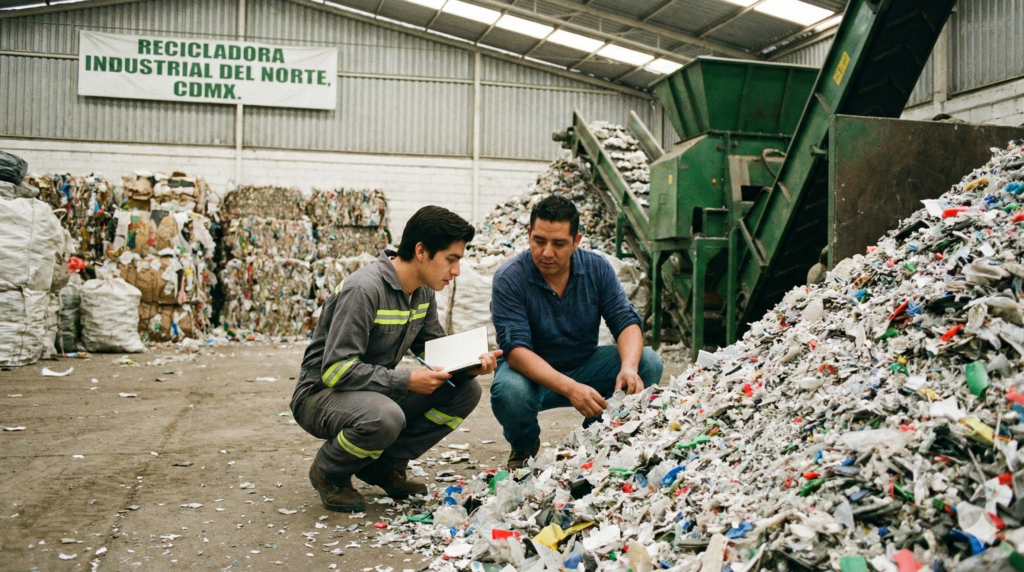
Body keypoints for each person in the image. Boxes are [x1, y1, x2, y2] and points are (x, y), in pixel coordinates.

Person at [292, 206, 501, 512]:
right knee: (386, 416)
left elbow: (435, 352)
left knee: (465, 392)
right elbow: (336, 371)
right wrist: (406, 380)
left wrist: (469, 366)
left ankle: (382, 466)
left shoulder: (422, 293)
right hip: (319, 394)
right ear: (421, 251)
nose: (456, 271)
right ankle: (329, 471)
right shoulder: (363, 290)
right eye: (451, 259)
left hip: (369, 392)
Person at [490, 195, 663, 469]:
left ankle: (595, 440)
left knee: (647, 362)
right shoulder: (510, 277)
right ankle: (524, 448)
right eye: (539, 241)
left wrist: (628, 368)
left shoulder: (597, 268)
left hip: (584, 365)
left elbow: (625, 321)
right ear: (528, 235)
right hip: (531, 376)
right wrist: (571, 389)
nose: (547, 252)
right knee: (509, 391)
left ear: (577, 240)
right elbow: (516, 352)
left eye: (559, 244)